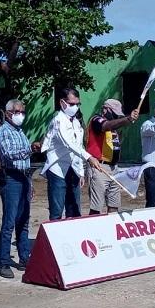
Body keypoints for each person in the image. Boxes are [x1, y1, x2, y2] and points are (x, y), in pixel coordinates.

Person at [0, 99, 40, 279]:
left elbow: (25, 161)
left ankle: (24, 257)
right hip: (11, 177)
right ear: (8, 113)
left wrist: (30, 182)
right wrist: (30, 149)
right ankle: (4, 262)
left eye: (22, 111)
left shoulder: (20, 131)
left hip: (23, 177)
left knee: (24, 220)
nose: (21, 115)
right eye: (17, 111)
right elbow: (9, 154)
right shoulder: (3, 132)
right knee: (9, 222)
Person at [41, 87, 100, 220]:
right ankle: (55, 238)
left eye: (77, 104)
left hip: (73, 169)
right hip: (58, 169)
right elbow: (69, 144)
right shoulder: (58, 121)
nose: (75, 107)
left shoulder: (76, 123)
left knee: (74, 209)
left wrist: (81, 172)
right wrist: (89, 157)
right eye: (72, 104)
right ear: (63, 103)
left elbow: (78, 147)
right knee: (57, 210)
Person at [85, 99, 139, 214]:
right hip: (99, 166)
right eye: (114, 113)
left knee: (114, 204)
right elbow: (105, 126)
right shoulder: (97, 120)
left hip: (114, 168)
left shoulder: (113, 125)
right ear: (105, 109)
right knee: (96, 206)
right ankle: (94, 229)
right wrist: (127, 119)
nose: (116, 117)